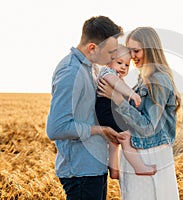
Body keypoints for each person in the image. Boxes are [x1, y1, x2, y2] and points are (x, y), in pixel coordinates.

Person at [46, 15, 124, 200]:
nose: (114, 56)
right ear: (92, 48)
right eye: (111, 51)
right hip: (81, 171)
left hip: (94, 166)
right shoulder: (71, 72)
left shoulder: (93, 68)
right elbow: (56, 128)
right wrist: (100, 130)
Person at [98, 27, 181, 200]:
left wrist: (117, 98)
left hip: (150, 155)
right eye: (130, 51)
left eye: (136, 51)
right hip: (140, 153)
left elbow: (148, 127)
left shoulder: (158, 80)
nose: (132, 56)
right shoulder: (142, 80)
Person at [95, 45, 157, 179]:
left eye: (127, 65)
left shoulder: (114, 74)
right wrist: (131, 94)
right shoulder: (107, 72)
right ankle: (140, 167)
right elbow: (117, 84)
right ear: (109, 61)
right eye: (119, 63)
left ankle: (114, 170)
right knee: (126, 137)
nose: (123, 67)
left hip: (106, 112)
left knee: (114, 142)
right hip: (106, 111)